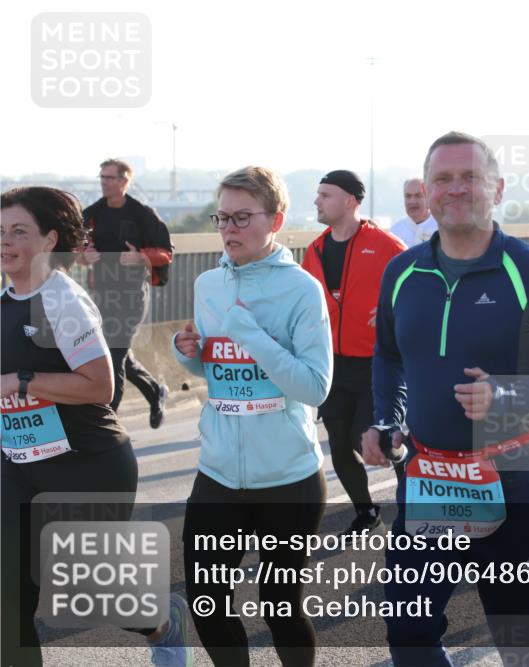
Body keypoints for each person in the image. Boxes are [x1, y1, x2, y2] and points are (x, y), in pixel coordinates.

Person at [361, 131, 529, 666]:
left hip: (511, 475)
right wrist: (386, 420)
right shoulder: (403, 272)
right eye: (443, 179)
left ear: (497, 188)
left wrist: (508, 393)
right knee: (409, 634)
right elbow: (389, 357)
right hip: (431, 478)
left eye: (469, 177)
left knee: (521, 650)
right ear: (426, 190)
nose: (455, 189)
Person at [1, 186, 190, 667]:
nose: (5, 241)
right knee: (10, 597)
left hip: (86, 465)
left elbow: (100, 385)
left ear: (50, 240)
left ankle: (162, 621)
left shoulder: (62, 299)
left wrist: (21, 382)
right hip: (19, 464)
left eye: (18, 231)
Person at [172, 167, 332, 667]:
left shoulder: (301, 290)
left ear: (276, 220)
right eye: (222, 217)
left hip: (288, 477)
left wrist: (253, 336)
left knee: (280, 606)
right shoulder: (208, 284)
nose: (228, 228)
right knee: (208, 603)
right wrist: (189, 353)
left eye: (242, 217)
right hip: (219, 472)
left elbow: (314, 386)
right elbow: (215, 366)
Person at [301, 170, 406, 536]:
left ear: (350, 201)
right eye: (318, 194)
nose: (317, 201)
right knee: (341, 445)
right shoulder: (314, 250)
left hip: (377, 363)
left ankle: (413, 496)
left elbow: (419, 281)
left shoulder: (385, 244)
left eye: (325, 195)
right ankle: (367, 512)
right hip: (332, 364)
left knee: (375, 439)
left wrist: (396, 307)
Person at [79, 159, 171, 427]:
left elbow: (166, 252)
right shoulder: (92, 214)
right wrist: (85, 256)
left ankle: (108, 423)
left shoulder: (142, 214)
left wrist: (141, 257)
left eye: (109, 177)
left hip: (132, 296)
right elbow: (77, 250)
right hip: (102, 295)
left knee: (114, 356)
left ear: (124, 181)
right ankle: (156, 392)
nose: (104, 182)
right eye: (102, 177)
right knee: (119, 354)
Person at [389, 178, 438, 247]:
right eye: (408, 196)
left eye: (418, 196)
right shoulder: (395, 232)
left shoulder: (441, 227)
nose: (412, 201)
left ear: (428, 197)